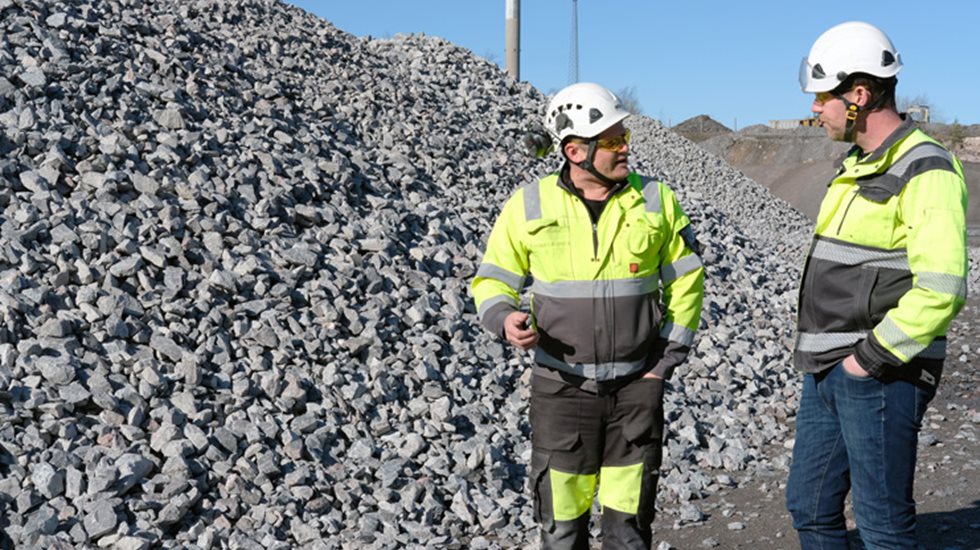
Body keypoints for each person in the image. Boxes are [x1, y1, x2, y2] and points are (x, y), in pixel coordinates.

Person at [471, 82, 704, 549]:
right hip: (561, 391)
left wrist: (663, 364)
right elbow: (492, 279)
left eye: (624, 138)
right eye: (613, 141)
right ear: (575, 151)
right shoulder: (528, 205)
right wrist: (504, 318)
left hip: (637, 391)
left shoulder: (656, 200)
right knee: (561, 528)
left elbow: (687, 281)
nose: (625, 150)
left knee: (629, 527)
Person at [787, 21, 969, 549]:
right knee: (810, 507)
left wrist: (865, 361)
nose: (816, 109)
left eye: (823, 96)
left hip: (880, 371)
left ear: (859, 95)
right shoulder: (857, 166)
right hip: (827, 368)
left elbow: (942, 286)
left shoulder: (926, 167)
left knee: (882, 524)